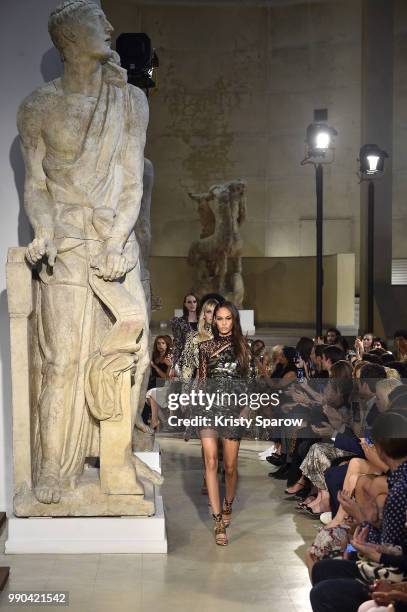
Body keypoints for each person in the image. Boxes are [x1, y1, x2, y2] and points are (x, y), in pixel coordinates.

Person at [18, 0, 150, 503]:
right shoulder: (38, 107)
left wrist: (118, 242)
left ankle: (114, 459)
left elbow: (133, 179)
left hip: (114, 242)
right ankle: (53, 467)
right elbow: (36, 185)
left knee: (131, 356)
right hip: (67, 244)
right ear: (70, 38)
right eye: (99, 22)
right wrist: (44, 231)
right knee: (63, 360)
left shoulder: (130, 101)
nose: (110, 28)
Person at [195, 301, 254, 546]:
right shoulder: (205, 347)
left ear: (234, 320)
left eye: (228, 318)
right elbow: (201, 380)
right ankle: (218, 520)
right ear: (213, 321)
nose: (223, 323)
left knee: (229, 467)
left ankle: (228, 503)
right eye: (219, 318)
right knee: (210, 461)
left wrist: (247, 409)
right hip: (209, 408)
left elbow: (251, 382)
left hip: (233, 410)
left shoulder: (244, 348)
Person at [145, 335, 172, 429]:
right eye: (158, 343)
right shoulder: (153, 355)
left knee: (150, 394)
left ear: (167, 344)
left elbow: (166, 377)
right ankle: (157, 420)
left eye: (163, 343)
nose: (160, 345)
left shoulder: (169, 357)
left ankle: (159, 420)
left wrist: (155, 366)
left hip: (163, 383)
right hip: (152, 382)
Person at [170, 293, 199, 373]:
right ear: (185, 304)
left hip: (203, 360)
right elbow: (177, 344)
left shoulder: (204, 322)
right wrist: (173, 365)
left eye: (194, 301)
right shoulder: (179, 322)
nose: (192, 304)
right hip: (186, 360)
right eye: (189, 302)